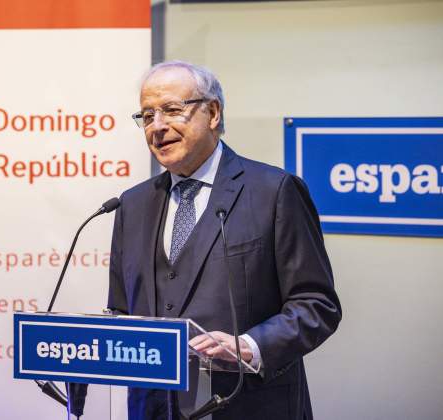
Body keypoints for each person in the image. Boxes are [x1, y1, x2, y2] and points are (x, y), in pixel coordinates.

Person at [107, 60, 341, 419]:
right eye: (147, 115)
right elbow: (121, 311)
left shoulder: (273, 192)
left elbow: (316, 305)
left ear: (212, 112)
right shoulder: (132, 204)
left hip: (247, 406)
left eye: (171, 110)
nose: (157, 127)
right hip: (152, 409)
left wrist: (249, 346)